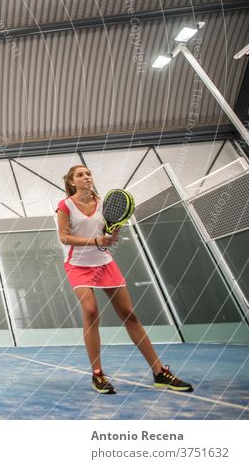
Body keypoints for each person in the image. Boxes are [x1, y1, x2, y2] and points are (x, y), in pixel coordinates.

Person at [56, 164, 193, 394]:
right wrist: (95, 242)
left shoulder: (104, 203)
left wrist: (111, 237)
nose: (86, 177)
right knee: (90, 311)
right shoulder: (65, 206)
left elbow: (111, 234)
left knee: (129, 314)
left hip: (104, 263)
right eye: (80, 175)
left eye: (88, 173)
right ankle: (98, 374)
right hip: (77, 265)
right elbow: (64, 237)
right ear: (72, 182)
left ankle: (160, 372)